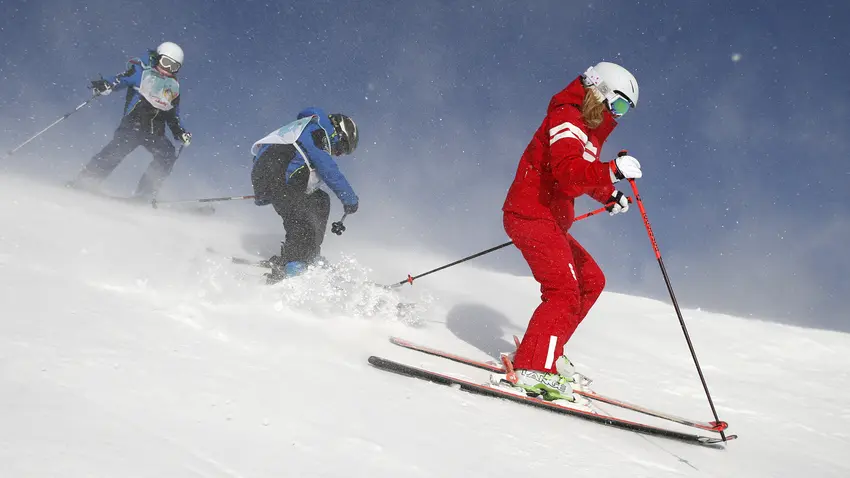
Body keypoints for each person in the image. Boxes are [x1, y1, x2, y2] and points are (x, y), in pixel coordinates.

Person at [498, 61, 643, 403]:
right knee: (563, 290)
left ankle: (548, 349)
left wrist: (609, 194)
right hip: (530, 214)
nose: (620, 116)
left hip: (550, 220)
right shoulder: (568, 117)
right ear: (603, 91)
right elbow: (566, 173)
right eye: (620, 105)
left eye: (627, 111)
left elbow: (580, 173)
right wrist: (611, 171)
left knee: (591, 280)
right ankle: (535, 367)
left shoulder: (588, 130)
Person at [68, 41, 192, 200]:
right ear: (157, 58)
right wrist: (107, 84)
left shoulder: (173, 87)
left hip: (155, 132)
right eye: (165, 62)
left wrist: (180, 133)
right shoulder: (141, 72)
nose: (168, 69)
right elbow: (121, 79)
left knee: (167, 154)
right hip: (133, 125)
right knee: (115, 151)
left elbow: (173, 115)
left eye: (174, 67)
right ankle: (86, 181)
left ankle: (145, 193)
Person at [250, 107, 359, 283]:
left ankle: (307, 255)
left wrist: (265, 190)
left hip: (275, 174)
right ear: (339, 132)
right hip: (280, 174)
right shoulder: (319, 130)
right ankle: (295, 263)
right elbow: (328, 168)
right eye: (340, 148)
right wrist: (350, 199)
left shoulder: (305, 127)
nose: (336, 154)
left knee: (319, 200)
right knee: (301, 220)